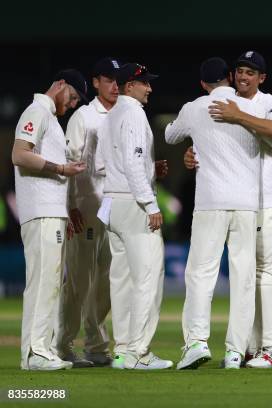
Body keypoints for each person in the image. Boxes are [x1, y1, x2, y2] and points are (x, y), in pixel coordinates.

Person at [186, 51, 272, 368]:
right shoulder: (219, 105)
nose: (244, 77)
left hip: (266, 203)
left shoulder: (270, 102)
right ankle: (245, 346)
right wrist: (191, 156)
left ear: (262, 78)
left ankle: (269, 348)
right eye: (240, 71)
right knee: (243, 277)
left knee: (263, 276)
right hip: (234, 203)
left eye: (251, 72)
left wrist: (241, 119)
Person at [166, 57, 267, 370]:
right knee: (244, 277)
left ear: (202, 84)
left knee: (201, 273)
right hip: (247, 204)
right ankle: (235, 351)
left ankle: (196, 342)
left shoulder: (194, 107)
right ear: (230, 78)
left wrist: (196, 143)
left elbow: (170, 135)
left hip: (211, 201)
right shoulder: (251, 108)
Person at [98, 63, 172, 370]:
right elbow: (131, 161)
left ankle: (123, 350)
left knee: (123, 281)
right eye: (144, 83)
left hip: (113, 203)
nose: (149, 88)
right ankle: (139, 353)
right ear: (129, 85)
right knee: (148, 279)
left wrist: (151, 171)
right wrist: (150, 203)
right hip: (133, 205)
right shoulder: (133, 113)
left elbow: (105, 164)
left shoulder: (111, 114)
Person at [12, 69, 87, 370]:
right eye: (71, 97)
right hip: (41, 212)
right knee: (43, 282)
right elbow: (19, 154)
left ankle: (40, 350)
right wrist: (61, 168)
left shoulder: (50, 118)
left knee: (51, 282)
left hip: (51, 212)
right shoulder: (37, 111)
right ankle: (34, 353)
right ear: (60, 85)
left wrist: (64, 209)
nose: (71, 105)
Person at [54, 58, 121, 368]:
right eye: (108, 79)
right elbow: (69, 162)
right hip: (87, 208)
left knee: (107, 280)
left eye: (118, 79)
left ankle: (96, 346)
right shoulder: (83, 116)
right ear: (96, 82)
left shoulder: (125, 114)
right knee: (79, 281)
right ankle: (62, 346)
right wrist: (69, 206)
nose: (115, 85)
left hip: (115, 208)